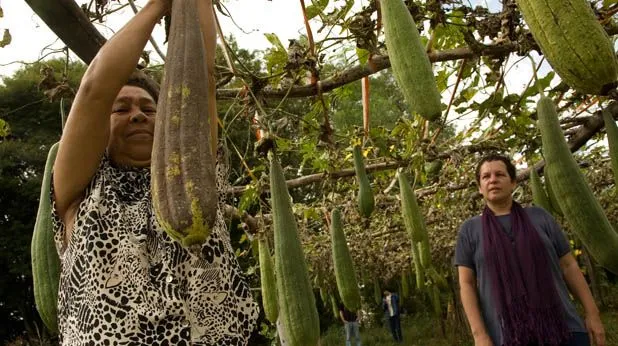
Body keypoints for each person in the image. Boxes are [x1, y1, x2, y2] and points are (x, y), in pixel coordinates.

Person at [51, 0, 258, 344]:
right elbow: (93, 91)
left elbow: (200, 76)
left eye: (149, 108)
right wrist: (160, 4)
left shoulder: (195, 174)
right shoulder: (80, 190)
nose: (138, 115)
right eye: (121, 108)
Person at [454, 154, 605, 346]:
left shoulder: (540, 217)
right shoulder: (470, 230)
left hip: (565, 330)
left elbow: (569, 266)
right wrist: (479, 335)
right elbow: (466, 284)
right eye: (486, 176)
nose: (493, 180)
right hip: (507, 337)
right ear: (480, 187)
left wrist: (592, 314)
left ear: (513, 183)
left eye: (500, 174)